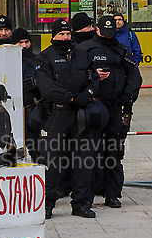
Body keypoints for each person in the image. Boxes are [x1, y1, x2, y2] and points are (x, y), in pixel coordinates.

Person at [35, 19, 99, 219]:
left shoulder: (82, 54)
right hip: (59, 113)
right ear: (53, 36)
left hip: (80, 113)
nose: (65, 38)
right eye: (61, 34)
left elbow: (94, 79)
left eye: (68, 34)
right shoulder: (45, 57)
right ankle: (47, 204)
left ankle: (81, 203)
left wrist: (86, 94)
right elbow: (46, 87)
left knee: (84, 162)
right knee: (53, 161)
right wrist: (69, 98)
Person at [75, 15, 142, 208]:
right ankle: (86, 197)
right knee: (89, 154)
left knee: (113, 152)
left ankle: (113, 194)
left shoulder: (121, 50)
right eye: (104, 33)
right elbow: (74, 76)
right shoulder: (84, 49)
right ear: (97, 30)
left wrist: (127, 98)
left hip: (114, 106)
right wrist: (92, 77)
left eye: (111, 33)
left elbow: (135, 77)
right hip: (91, 106)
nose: (107, 36)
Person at [10, 28, 39, 160]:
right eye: (20, 43)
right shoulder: (8, 61)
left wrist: (36, 83)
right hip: (13, 109)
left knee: (34, 147)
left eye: (27, 42)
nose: (24, 46)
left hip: (31, 108)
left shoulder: (37, 60)